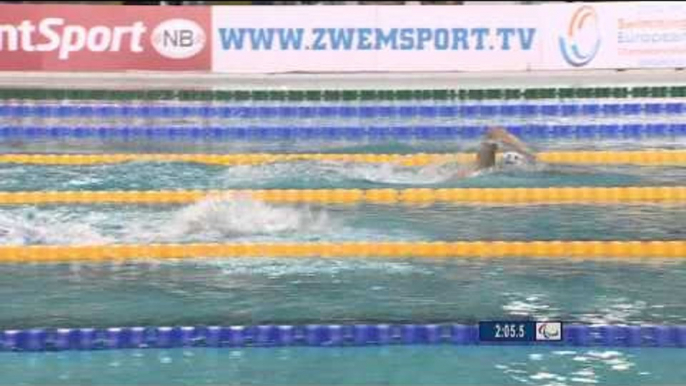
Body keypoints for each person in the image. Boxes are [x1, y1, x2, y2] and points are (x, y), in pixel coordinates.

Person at [422, 126, 537, 178]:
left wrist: (525, 150)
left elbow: (495, 132)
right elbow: (494, 131)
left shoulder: (483, 168)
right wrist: (526, 151)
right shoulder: (485, 167)